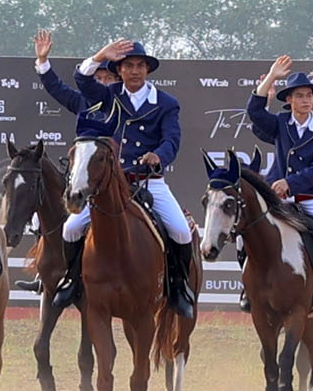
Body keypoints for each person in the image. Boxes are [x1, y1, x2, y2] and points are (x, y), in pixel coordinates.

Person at [36, 36, 198, 317]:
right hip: (111, 184)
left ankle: (178, 286)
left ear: (147, 69)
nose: (134, 71)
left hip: (149, 182)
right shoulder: (108, 96)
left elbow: (172, 140)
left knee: (181, 231)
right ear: (119, 70)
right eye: (128, 66)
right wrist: (100, 56)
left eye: (140, 66)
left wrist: (159, 155)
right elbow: (82, 80)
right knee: (70, 228)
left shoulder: (166, 103)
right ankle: (72, 280)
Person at [245, 57, 313, 314]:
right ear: (289, 100)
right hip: (280, 200)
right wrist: (271, 77)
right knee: (249, 232)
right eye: (300, 96)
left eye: (309, 96)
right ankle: (248, 288)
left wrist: (289, 183)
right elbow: (255, 113)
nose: (306, 100)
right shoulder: (280, 124)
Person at [29, 31, 123, 313]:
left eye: (109, 78)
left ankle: (170, 281)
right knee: (48, 219)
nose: (103, 82)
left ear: (119, 80)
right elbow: (56, 88)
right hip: (82, 178)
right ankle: (59, 276)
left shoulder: (127, 103)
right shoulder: (84, 102)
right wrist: (42, 62)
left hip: (120, 178)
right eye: (99, 78)